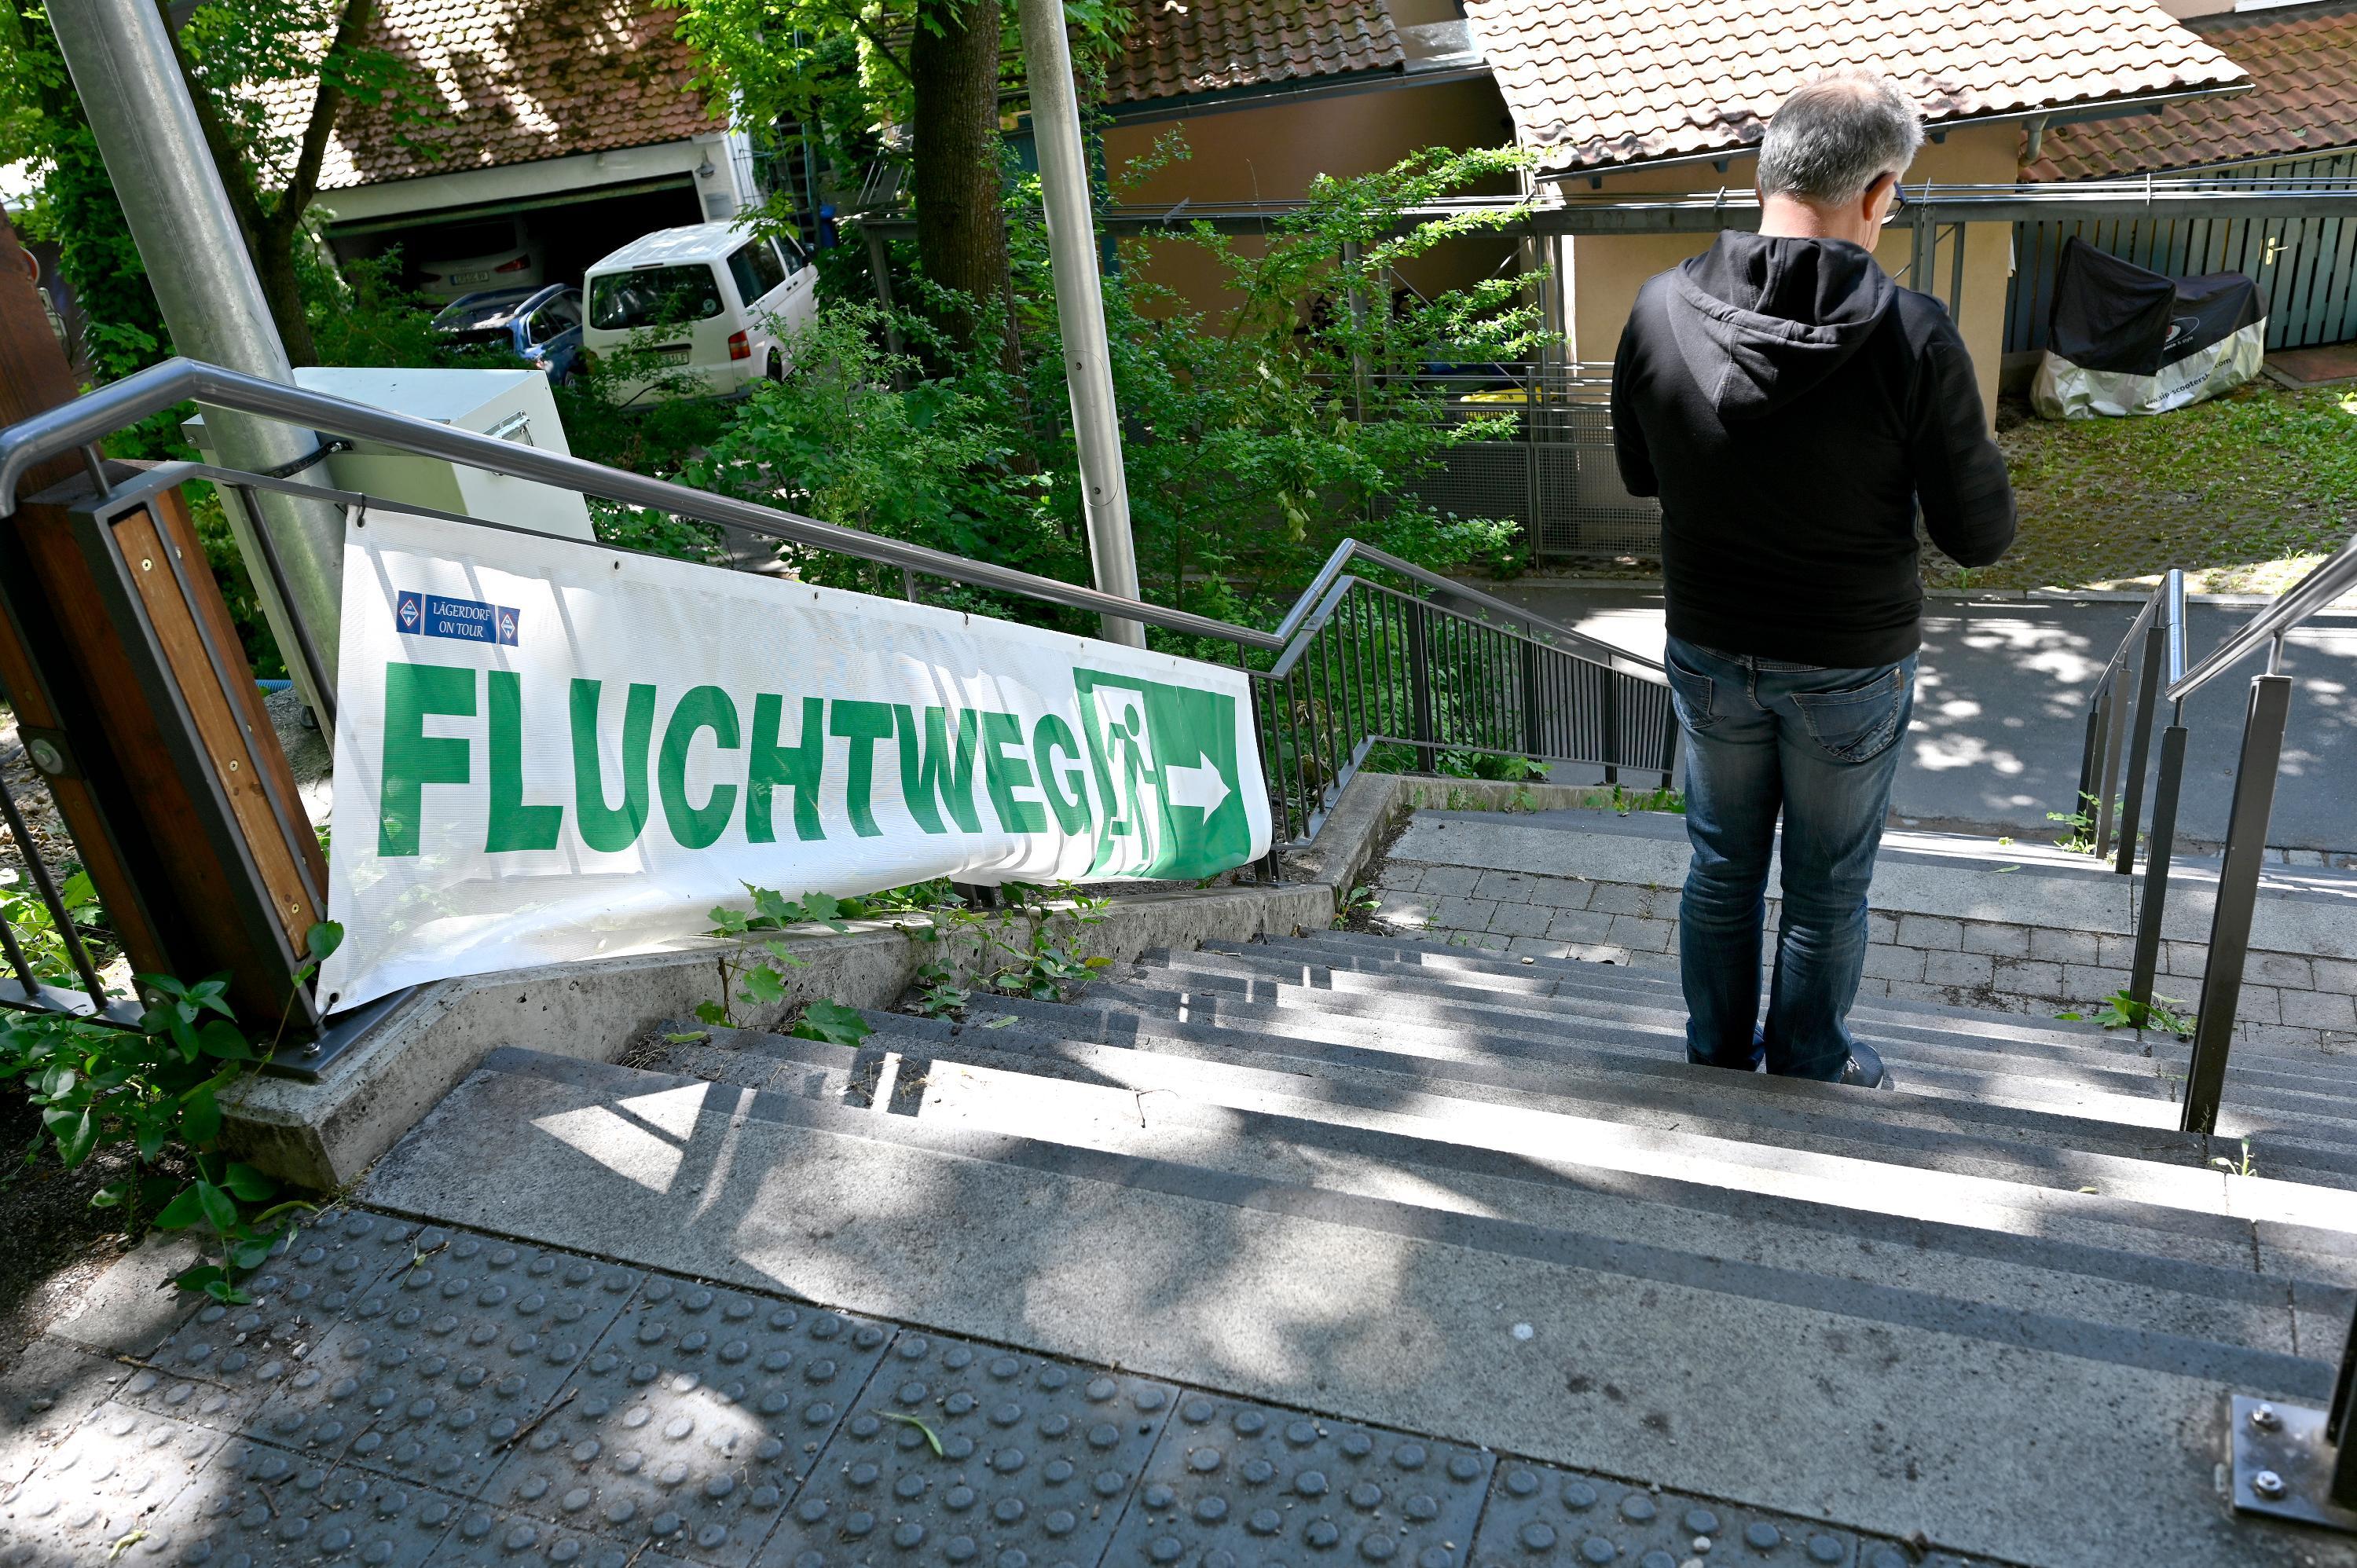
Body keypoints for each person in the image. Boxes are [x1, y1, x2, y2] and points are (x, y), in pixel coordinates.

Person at [1608, 68, 2016, 1090]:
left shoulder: (1656, 309)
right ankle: (1807, 1066)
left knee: (1721, 865)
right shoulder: (1915, 336)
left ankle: (1715, 1054)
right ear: (1878, 194)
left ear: (1766, 177)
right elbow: (1978, 536)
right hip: (1849, 659)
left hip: (1709, 645)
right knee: (1828, 886)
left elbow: (1641, 473)